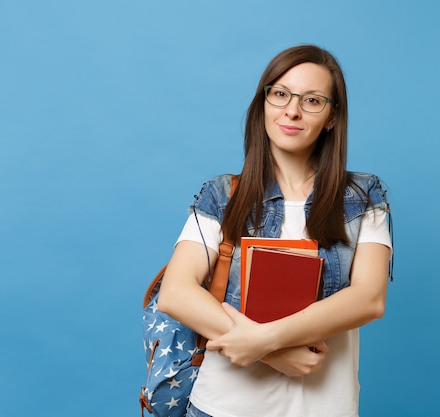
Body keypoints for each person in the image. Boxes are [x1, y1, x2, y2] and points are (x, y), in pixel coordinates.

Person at [158, 44, 393, 417]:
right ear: (263, 103)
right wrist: (274, 353)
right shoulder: (222, 195)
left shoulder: (362, 196)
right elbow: (175, 292)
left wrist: (265, 341)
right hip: (222, 407)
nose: (292, 111)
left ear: (332, 116)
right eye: (281, 94)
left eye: (313, 100)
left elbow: (369, 298)